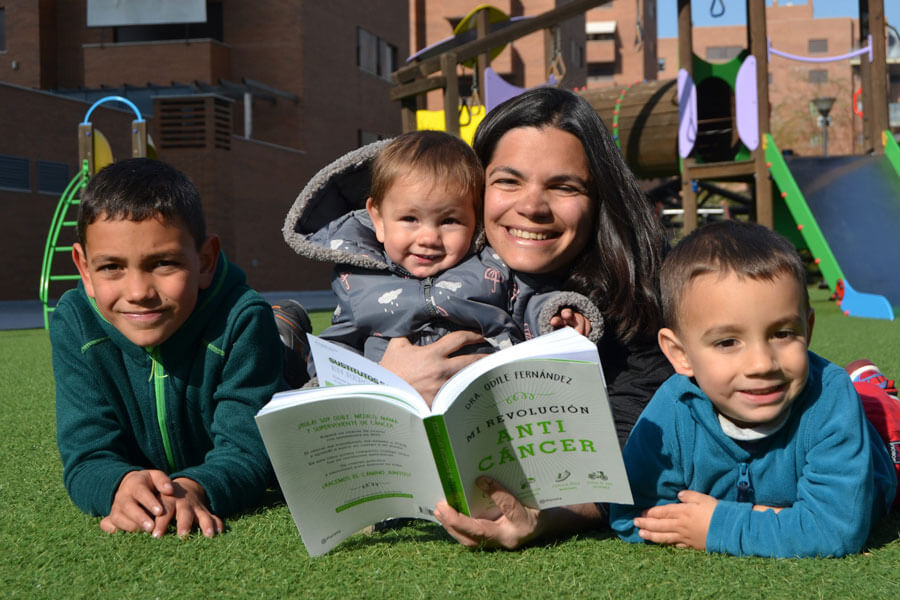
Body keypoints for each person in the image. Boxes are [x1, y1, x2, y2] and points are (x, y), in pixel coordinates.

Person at [374, 88, 673, 549]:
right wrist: (387, 387)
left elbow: (624, 448)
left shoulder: (642, 294)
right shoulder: (422, 255)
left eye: (564, 186)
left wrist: (545, 519)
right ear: (475, 188)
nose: (532, 206)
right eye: (509, 181)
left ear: (599, 199)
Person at [609, 220, 897, 557]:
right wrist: (783, 519)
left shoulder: (830, 400)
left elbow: (837, 530)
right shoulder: (673, 409)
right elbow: (632, 515)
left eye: (783, 333)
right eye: (728, 341)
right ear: (680, 354)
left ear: (808, 327)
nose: (761, 364)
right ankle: (863, 381)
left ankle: (871, 386)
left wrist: (718, 524)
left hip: (887, 442)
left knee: (880, 412)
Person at [52, 158, 285, 538]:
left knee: (292, 391)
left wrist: (197, 487)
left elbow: (250, 451)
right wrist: (119, 486)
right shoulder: (74, 322)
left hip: (265, 345)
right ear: (83, 269)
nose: (139, 292)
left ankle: (284, 331)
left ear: (205, 261)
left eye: (163, 263)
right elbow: (86, 455)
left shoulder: (242, 317)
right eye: (111, 267)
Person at [283, 130, 601, 372]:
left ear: (475, 220)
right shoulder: (357, 280)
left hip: (491, 399)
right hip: (402, 409)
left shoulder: (492, 265)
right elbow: (338, 346)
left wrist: (556, 315)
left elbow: (529, 301)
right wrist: (361, 381)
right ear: (377, 218)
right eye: (410, 219)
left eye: (449, 221)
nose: (429, 238)